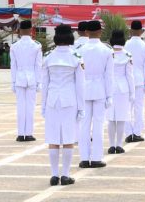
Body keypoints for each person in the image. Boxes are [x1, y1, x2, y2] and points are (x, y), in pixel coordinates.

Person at [42, 24, 84, 186]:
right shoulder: (76, 56)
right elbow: (80, 85)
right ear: (70, 38)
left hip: (52, 100)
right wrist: (81, 107)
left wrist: (44, 105)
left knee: (53, 138)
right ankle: (65, 175)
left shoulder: (48, 56)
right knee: (68, 138)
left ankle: (54, 175)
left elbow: (45, 83)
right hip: (69, 100)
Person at [77, 20, 114, 169]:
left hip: (83, 90)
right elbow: (109, 75)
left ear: (86, 32)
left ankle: (84, 158)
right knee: (98, 125)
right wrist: (109, 95)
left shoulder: (79, 49)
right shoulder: (106, 50)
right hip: (100, 89)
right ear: (100, 32)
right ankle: (97, 157)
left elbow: (77, 74)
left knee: (84, 125)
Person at [10, 20, 43, 142]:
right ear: (31, 30)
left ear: (19, 30)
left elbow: (13, 65)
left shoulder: (14, 46)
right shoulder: (36, 45)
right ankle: (28, 133)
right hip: (32, 78)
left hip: (19, 78)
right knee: (30, 107)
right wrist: (39, 82)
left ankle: (20, 134)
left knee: (20, 107)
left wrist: (13, 82)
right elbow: (38, 65)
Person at [107, 30, 134, 155]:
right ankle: (119, 145)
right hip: (123, 88)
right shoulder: (127, 55)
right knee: (122, 118)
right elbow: (130, 76)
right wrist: (132, 93)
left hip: (110, 88)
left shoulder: (107, 54)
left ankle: (111, 145)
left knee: (111, 119)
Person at [125, 21, 145, 143]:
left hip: (126, 79)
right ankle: (137, 132)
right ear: (142, 31)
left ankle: (128, 133)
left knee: (127, 108)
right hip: (140, 79)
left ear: (130, 31)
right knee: (139, 107)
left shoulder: (125, 44)